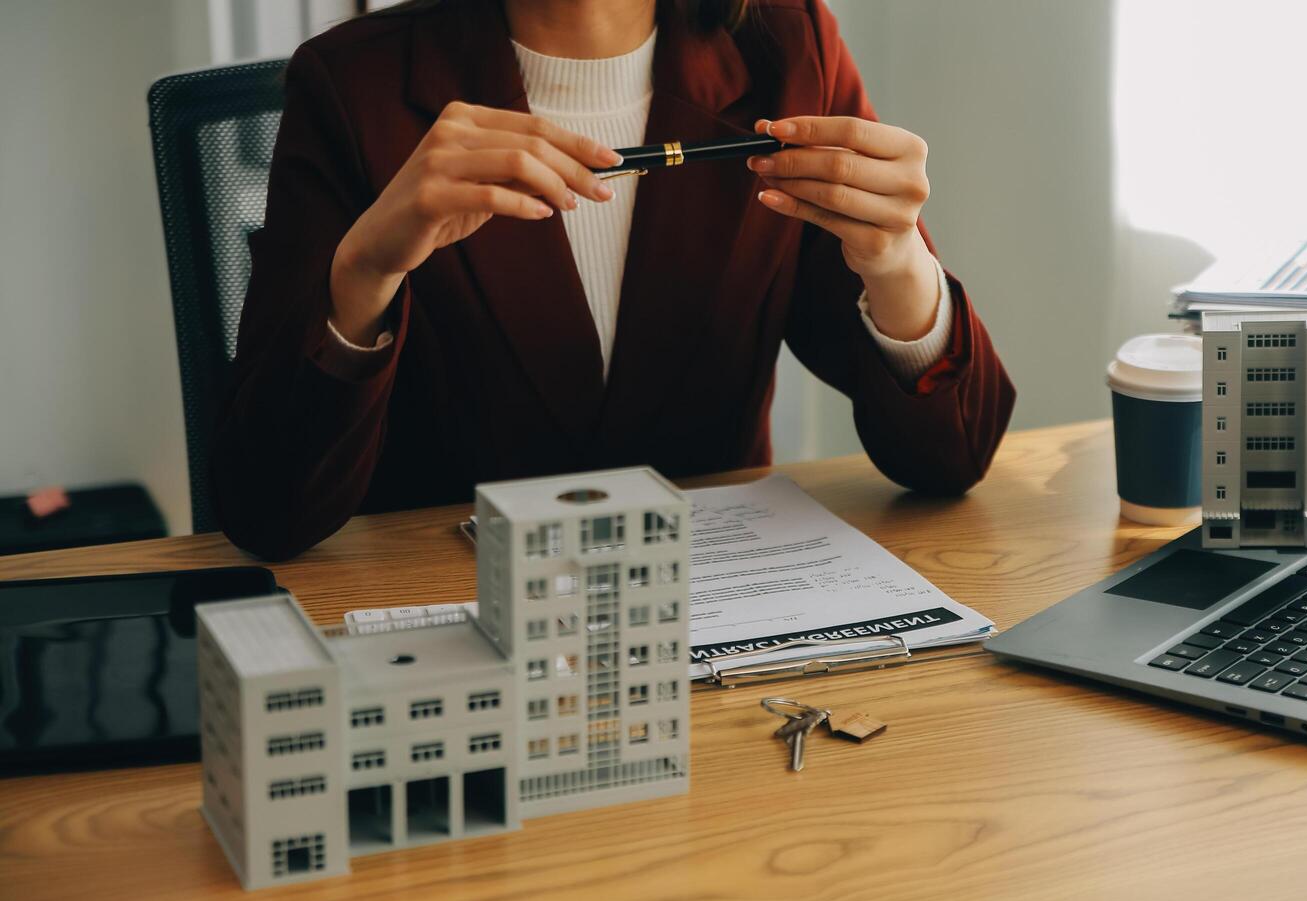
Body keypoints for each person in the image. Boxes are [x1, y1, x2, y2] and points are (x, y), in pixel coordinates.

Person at [216, 0, 1015, 560]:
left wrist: (897, 260)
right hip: (450, 635)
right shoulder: (352, 84)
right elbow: (269, 510)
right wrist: (364, 272)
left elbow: (952, 459)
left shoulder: (789, 43)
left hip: (722, 623)